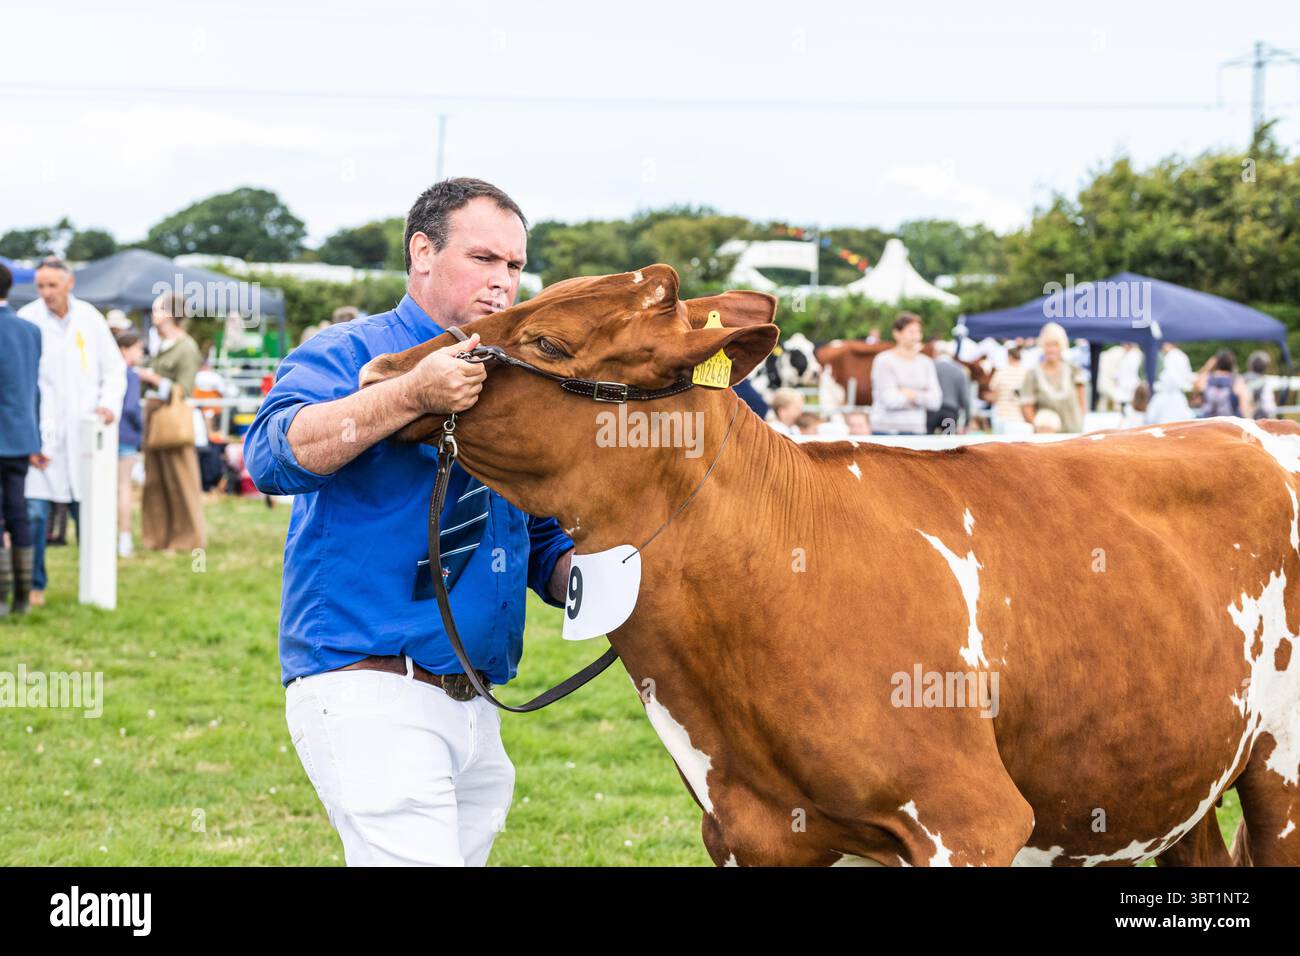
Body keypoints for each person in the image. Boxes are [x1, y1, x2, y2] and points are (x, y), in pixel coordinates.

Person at [244, 177, 576, 867]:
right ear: (422, 252)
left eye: (515, 266)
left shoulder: (516, 376)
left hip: (477, 701)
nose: (504, 282)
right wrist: (408, 393)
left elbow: (537, 531)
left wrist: (603, 576)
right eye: (484, 259)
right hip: (368, 681)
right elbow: (273, 456)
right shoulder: (345, 350)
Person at [17, 258, 125, 606]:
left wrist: (108, 404)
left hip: (85, 434)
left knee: (89, 510)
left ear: (69, 283)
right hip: (42, 433)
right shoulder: (28, 320)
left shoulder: (90, 319)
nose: (46, 293)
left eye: (52, 285)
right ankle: (34, 584)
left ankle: (95, 584)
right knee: (34, 511)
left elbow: (114, 370)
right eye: (41, 287)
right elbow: (18, 382)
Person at [135, 292, 206, 552]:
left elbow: (185, 389)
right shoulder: (161, 344)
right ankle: (158, 536)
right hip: (154, 415)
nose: (153, 314)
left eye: (157, 309)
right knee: (155, 480)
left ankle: (188, 539)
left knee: (180, 479)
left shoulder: (186, 347)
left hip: (173, 418)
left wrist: (153, 379)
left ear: (170, 313)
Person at [0, 263, 43, 614]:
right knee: (18, 513)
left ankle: (1, 597)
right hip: (22, 435)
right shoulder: (31, 330)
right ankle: (22, 598)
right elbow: (33, 389)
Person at [870, 313, 941, 436]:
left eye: (918, 332)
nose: (916, 336)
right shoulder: (884, 361)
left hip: (917, 431)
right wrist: (922, 396)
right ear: (897, 334)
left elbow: (936, 401)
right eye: (911, 332)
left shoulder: (926, 363)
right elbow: (889, 400)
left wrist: (909, 393)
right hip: (885, 431)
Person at [1020, 322, 1087, 434]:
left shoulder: (1074, 370)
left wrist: (1080, 421)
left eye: (1055, 345)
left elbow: (1082, 402)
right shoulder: (1032, 374)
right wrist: (1038, 427)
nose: (1051, 349)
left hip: (1073, 432)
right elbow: (1027, 407)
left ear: (1061, 346)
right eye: (1048, 345)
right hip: (1046, 436)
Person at [115, 329, 145, 557]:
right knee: (124, 488)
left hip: (107, 435)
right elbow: (132, 408)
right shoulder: (130, 375)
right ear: (126, 349)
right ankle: (124, 538)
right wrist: (143, 430)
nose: (141, 353)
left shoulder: (108, 372)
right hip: (126, 435)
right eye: (138, 348)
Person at [1194, 350, 1254, 419]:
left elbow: (1196, 382)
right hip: (1229, 423)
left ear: (1216, 363)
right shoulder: (1236, 380)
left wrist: (1207, 366)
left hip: (1208, 422)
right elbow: (1244, 406)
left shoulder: (1207, 379)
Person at [1146, 341, 1194, 425]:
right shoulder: (1181, 355)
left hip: (1169, 396)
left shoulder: (1172, 356)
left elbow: (1172, 378)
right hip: (1176, 396)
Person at [928, 339, 970, 434]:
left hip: (931, 412)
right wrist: (967, 421)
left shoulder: (930, 366)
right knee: (949, 445)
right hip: (950, 412)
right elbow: (965, 398)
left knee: (925, 445)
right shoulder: (960, 370)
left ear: (936, 352)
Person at [988, 344, 1029, 433]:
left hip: (1002, 417)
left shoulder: (1000, 373)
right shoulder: (1026, 374)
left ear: (1009, 357)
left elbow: (995, 396)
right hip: (1021, 419)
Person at [1243, 351, 1278, 420]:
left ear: (1251, 365)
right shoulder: (1264, 383)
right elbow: (1269, 408)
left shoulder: (1242, 379)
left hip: (1243, 420)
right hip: (1258, 421)